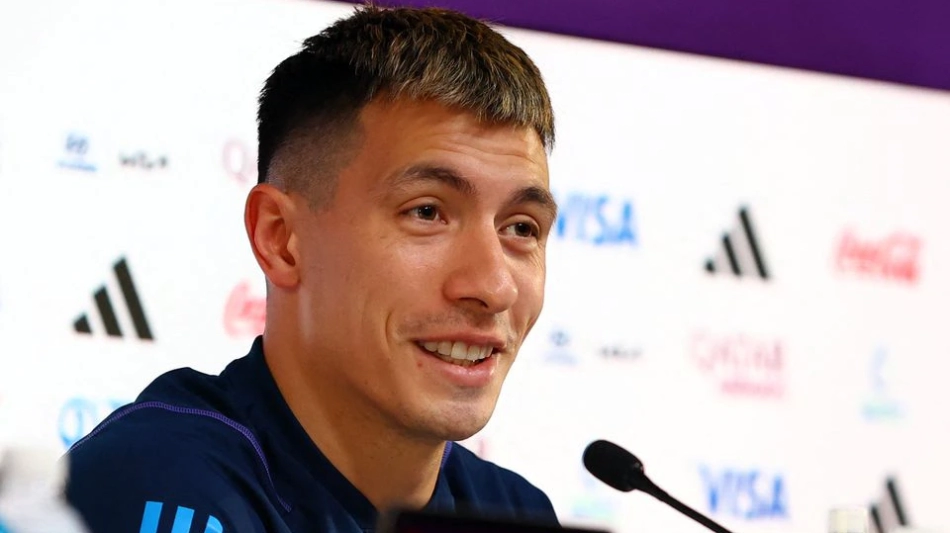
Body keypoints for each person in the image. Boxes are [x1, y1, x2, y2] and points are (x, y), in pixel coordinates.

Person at [66, 5, 558, 532]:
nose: (494, 286)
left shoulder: (516, 511)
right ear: (280, 239)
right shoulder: (160, 484)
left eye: (521, 227)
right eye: (426, 213)